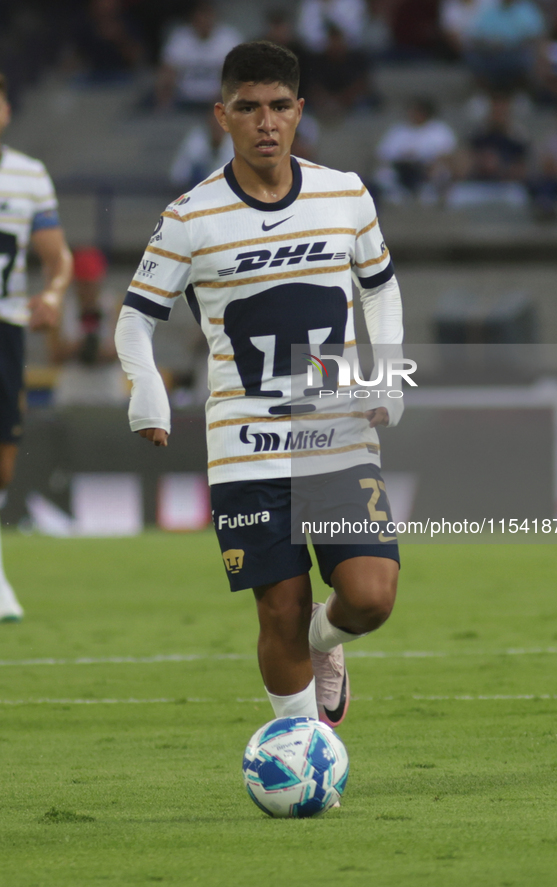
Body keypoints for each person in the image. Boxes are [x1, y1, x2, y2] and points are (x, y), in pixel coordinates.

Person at [115, 41, 403, 726]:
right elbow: (134, 320)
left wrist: (385, 371)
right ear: (223, 115)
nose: (265, 122)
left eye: (278, 107)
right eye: (248, 108)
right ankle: (305, 749)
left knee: (370, 595)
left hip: (334, 426)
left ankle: (323, 642)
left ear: (299, 111)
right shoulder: (190, 218)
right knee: (278, 604)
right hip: (244, 439)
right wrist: (145, 388)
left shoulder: (345, 193)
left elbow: (380, 287)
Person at [0, 73, 72, 622]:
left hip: (7, 326)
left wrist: (50, 293)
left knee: (3, 460)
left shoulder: (26, 175)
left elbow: (57, 256)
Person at [49, 247, 128, 406]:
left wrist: (101, 353)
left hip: (108, 391)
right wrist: (77, 347)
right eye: (83, 284)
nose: (87, 290)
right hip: (72, 392)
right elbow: (54, 355)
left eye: (91, 284)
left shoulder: (116, 307)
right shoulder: (62, 309)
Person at [156, 1, 242, 111]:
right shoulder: (180, 36)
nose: (204, 20)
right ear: (192, 18)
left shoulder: (229, 37)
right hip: (183, 99)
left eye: (207, 15)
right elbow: (167, 70)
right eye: (200, 15)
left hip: (218, 101)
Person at [373, 97, 458, 203]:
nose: (413, 114)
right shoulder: (398, 130)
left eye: (417, 111)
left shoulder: (439, 129)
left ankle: (430, 197)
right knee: (383, 175)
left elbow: (447, 153)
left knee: (442, 173)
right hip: (401, 168)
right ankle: (398, 198)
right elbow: (383, 153)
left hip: (428, 168)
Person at [465, 0, 546, 91]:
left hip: (518, 52)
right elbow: (476, 36)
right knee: (472, 55)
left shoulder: (528, 10)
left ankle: (519, 93)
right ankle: (487, 95)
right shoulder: (489, 10)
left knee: (530, 56)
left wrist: (513, 43)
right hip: (493, 54)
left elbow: (536, 36)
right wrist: (491, 43)